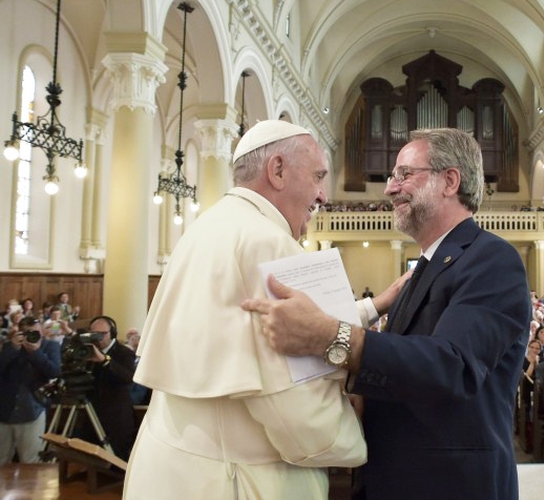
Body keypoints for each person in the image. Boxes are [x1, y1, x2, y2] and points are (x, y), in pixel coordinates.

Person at [242, 128, 531, 499]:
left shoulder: (490, 259)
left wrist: (334, 337)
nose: (389, 189)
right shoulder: (423, 270)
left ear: (450, 181)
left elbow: (453, 365)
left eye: (404, 174)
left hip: (450, 484)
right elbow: (404, 374)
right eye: (392, 176)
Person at [125, 121, 405, 499]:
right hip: (235, 480)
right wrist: (360, 438)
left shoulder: (208, 225)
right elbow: (295, 406)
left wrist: (374, 305)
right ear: (277, 170)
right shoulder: (268, 242)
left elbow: (242, 333)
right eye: (318, 176)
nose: (322, 195)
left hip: (172, 469)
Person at [0, 317, 60, 464]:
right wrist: (12, 348)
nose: (33, 336)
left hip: (33, 409)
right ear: (20, 332)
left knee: (30, 461)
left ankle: (30, 488)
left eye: (36, 332)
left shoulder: (50, 345)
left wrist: (36, 352)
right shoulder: (10, 346)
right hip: (5, 411)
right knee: (2, 459)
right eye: (28, 332)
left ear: (42, 331)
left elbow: (54, 371)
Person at [79, 316, 137, 461]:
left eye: (102, 334)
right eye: (94, 334)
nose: (97, 338)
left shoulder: (124, 353)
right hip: (90, 412)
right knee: (90, 459)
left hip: (115, 418)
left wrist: (104, 360)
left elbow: (127, 378)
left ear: (112, 333)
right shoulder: (85, 352)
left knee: (115, 462)